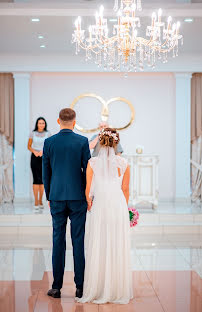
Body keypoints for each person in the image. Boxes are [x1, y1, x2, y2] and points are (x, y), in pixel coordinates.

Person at [78, 128, 132, 304]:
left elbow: (88, 189)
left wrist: (89, 203)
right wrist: (125, 209)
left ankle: (99, 287)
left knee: (99, 243)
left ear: (100, 143)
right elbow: (125, 190)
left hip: (100, 205)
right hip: (117, 206)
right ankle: (117, 289)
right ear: (116, 142)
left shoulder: (92, 163)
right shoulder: (124, 163)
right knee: (116, 243)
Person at [42, 108, 91, 299]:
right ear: (74, 121)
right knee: (78, 241)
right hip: (78, 197)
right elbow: (88, 171)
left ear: (58, 120)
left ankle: (56, 287)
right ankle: (80, 287)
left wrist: (49, 196)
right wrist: (87, 195)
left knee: (57, 241)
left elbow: (47, 173)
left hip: (56, 197)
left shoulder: (49, 142)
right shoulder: (82, 141)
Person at [28, 117, 51, 209]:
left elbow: (49, 146)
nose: (41, 125)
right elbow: (29, 146)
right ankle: (36, 201)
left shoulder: (48, 133)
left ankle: (41, 201)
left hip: (44, 157)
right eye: (39, 123)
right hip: (34, 157)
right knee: (35, 178)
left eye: (43, 123)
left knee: (42, 179)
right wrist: (34, 152)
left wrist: (43, 152)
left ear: (45, 124)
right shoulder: (32, 133)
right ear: (37, 124)